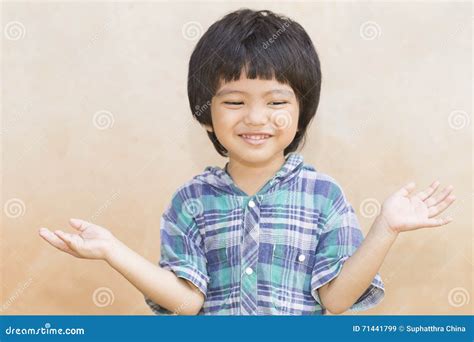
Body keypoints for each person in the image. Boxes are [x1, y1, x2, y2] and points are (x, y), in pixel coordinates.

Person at [39, 8, 456, 315]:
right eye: (235, 101)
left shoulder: (323, 195)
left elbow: (338, 299)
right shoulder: (190, 200)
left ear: (301, 111)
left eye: (276, 101)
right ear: (206, 114)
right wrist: (112, 250)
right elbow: (185, 302)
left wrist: (386, 228)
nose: (255, 117)